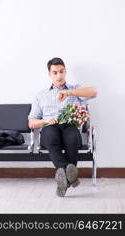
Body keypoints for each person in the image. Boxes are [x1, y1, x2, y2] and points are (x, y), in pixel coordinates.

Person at [28, 57, 97, 197]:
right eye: (55, 72)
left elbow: (93, 92)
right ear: (49, 74)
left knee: (72, 139)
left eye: (61, 71)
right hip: (49, 126)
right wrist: (45, 121)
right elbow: (31, 122)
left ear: (65, 71)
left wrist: (69, 93)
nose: (59, 76)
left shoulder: (75, 89)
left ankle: (64, 179)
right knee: (52, 138)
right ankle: (69, 173)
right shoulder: (41, 95)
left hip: (70, 125)